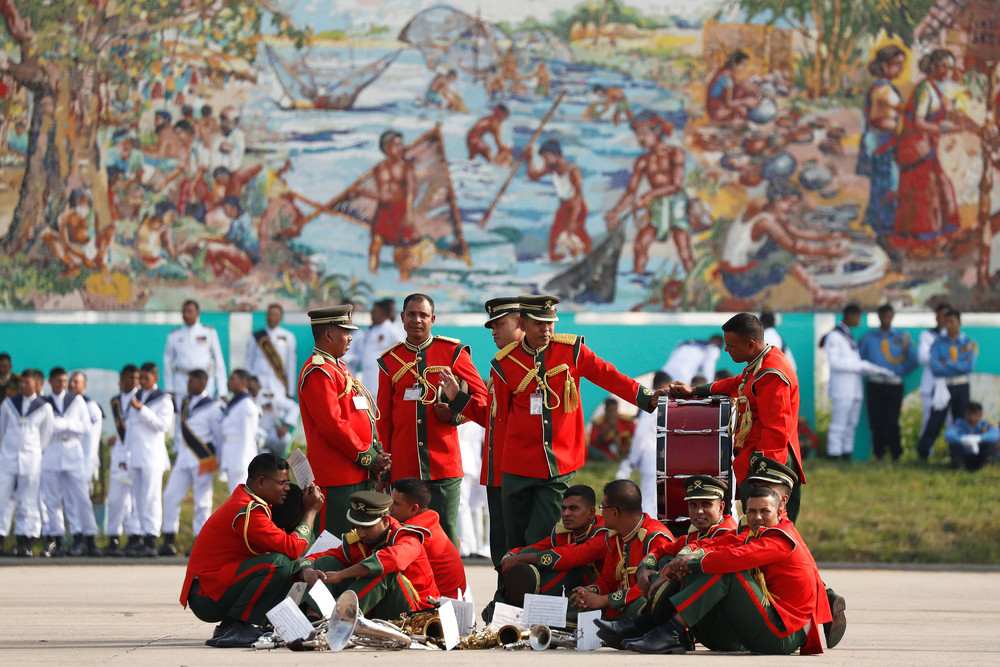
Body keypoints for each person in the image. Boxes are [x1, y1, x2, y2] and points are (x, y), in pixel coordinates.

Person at [485, 295, 666, 549]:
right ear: (522, 323)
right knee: (512, 541)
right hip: (517, 466)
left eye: (550, 323)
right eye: (539, 323)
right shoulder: (504, 364)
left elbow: (609, 376)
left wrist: (647, 397)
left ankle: (539, 588)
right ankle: (508, 590)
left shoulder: (572, 351)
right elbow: (500, 421)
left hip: (557, 463)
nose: (546, 329)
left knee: (540, 538)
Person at [605, 487, 831, 655]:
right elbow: (717, 544)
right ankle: (653, 626)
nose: (757, 517)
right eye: (751, 511)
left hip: (783, 634)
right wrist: (683, 560)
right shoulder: (756, 533)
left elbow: (736, 557)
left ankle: (668, 631)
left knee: (726, 570)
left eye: (765, 511)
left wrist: (688, 563)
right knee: (699, 562)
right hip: (759, 625)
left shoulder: (781, 539)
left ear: (780, 512)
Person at [668, 313, 806, 520]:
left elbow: (777, 430)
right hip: (757, 460)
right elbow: (736, 383)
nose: (726, 350)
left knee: (766, 532)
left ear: (750, 345)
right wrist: (695, 391)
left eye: (731, 346)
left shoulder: (771, 373)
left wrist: (765, 477)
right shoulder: (761, 362)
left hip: (769, 465)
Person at [376, 293, 487, 548]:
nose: (417, 319)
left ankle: (450, 589)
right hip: (404, 469)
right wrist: (386, 470)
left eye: (423, 315)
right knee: (405, 536)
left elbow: (481, 397)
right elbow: (384, 423)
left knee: (444, 537)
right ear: (402, 318)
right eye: (411, 314)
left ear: (433, 319)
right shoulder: (389, 361)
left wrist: (455, 415)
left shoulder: (452, 352)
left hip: (442, 465)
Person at [181, 453, 323, 648]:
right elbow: (292, 548)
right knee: (278, 564)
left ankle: (242, 623)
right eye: (282, 483)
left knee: (288, 565)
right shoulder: (249, 511)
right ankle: (237, 625)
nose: (288, 488)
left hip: (215, 587)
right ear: (262, 482)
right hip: (207, 597)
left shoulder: (252, 502)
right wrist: (311, 512)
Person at [442, 296, 523, 569]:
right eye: (492, 326)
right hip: (495, 472)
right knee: (501, 548)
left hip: (520, 473)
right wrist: (456, 398)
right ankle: (504, 601)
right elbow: (488, 417)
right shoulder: (498, 368)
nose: (494, 331)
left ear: (520, 323)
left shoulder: (534, 367)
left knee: (520, 547)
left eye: (499, 324)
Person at [298, 305, 389, 537]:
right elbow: (333, 425)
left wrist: (376, 451)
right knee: (334, 546)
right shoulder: (319, 371)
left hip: (357, 471)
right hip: (338, 476)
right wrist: (368, 457)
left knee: (357, 545)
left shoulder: (338, 368)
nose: (351, 337)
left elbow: (362, 417)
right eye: (346, 331)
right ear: (328, 334)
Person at [297, 490, 439, 620]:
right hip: (377, 608)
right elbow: (316, 557)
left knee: (384, 573)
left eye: (367, 527)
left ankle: (336, 621)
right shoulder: (360, 541)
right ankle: (313, 619)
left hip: (415, 613)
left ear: (384, 521)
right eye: (357, 526)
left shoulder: (408, 538)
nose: (361, 533)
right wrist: (307, 571)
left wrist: (342, 574)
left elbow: (390, 560)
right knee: (325, 563)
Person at [893, 49, 980, 251]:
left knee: (942, 185)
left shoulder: (935, 88)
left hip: (927, 144)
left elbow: (944, 113)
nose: (949, 71)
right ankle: (926, 238)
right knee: (926, 190)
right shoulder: (924, 89)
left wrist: (964, 122)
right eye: (944, 66)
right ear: (934, 67)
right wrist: (945, 129)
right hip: (915, 146)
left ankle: (944, 233)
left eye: (951, 67)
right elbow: (919, 122)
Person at [718, 180, 847, 307]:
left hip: (732, 274)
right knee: (783, 254)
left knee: (777, 246)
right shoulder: (765, 223)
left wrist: (825, 238)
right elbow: (794, 246)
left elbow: (794, 232)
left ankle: (805, 266)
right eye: (791, 203)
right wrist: (826, 251)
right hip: (739, 283)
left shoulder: (764, 205)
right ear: (778, 200)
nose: (795, 209)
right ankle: (818, 293)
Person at [568, 480, 674, 619]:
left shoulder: (655, 538)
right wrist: (591, 591)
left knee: (639, 606)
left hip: (646, 611)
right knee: (574, 605)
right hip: (619, 608)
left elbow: (656, 588)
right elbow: (607, 580)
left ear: (614, 512)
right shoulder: (616, 536)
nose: (601, 513)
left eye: (602, 507)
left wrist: (605, 599)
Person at [605, 110, 693, 275]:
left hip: (676, 204)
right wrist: (616, 212)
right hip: (657, 207)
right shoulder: (643, 161)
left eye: (644, 133)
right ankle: (638, 282)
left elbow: (676, 185)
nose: (640, 139)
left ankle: (696, 285)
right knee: (640, 246)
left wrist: (649, 195)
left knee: (684, 249)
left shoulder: (676, 153)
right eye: (638, 134)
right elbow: (631, 192)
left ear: (657, 131)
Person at [497, 485, 607, 616]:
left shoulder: (603, 533)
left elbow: (573, 555)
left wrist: (521, 558)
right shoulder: (563, 533)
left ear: (591, 512)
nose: (566, 514)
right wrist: (511, 557)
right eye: (563, 508)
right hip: (578, 591)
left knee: (571, 568)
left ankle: (524, 608)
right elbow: (532, 549)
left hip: (602, 594)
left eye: (573, 508)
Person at [632, 476, 737, 606]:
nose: (699, 511)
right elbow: (661, 550)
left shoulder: (730, 535)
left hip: (719, 607)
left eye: (706, 504)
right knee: (666, 559)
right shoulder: (695, 535)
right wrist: (643, 569)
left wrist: (660, 576)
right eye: (693, 505)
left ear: (721, 508)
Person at [160, 370, 224, 556]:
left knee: (202, 501)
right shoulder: (185, 403)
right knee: (170, 496)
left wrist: (218, 460)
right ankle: (169, 539)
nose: (188, 384)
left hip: (203, 459)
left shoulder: (213, 407)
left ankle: (200, 541)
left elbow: (219, 436)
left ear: (203, 384)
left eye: (192, 381)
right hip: (183, 458)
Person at [821, 304, 895, 461]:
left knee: (851, 424)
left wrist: (871, 368)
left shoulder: (848, 335)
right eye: (858, 317)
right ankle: (833, 454)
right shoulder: (835, 336)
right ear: (850, 316)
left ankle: (846, 453)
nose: (859, 320)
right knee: (839, 423)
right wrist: (860, 366)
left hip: (854, 388)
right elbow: (835, 363)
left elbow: (855, 360)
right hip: (842, 389)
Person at [38, 367, 97, 558]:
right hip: (52, 452)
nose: (63, 384)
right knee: (52, 499)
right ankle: (55, 537)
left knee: (80, 498)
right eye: (59, 381)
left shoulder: (76, 401)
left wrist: (66, 425)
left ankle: (87, 537)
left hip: (72, 451)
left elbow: (87, 426)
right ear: (51, 382)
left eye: (65, 381)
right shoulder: (43, 403)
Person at [123, 362, 175, 557]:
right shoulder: (136, 396)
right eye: (140, 378)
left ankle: (152, 537)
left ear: (155, 378)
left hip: (152, 455)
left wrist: (143, 410)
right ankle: (142, 536)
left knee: (151, 497)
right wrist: (126, 453)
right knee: (138, 498)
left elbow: (162, 426)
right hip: (136, 454)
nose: (141, 382)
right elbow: (130, 427)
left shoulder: (163, 399)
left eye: (145, 378)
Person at [0, 370, 54, 557]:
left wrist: (34, 452)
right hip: (8, 457)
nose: (22, 386)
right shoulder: (9, 403)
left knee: (28, 500)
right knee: (2, 497)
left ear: (38, 385)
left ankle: (25, 540)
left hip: (30, 459)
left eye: (27, 383)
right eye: (21, 382)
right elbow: (3, 428)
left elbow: (45, 436)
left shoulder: (44, 407)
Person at [350, 130, 417, 276]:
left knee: (402, 250)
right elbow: (383, 195)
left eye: (401, 145)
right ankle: (372, 274)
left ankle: (404, 280)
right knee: (375, 244)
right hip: (384, 210)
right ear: (386, 148)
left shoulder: (407, 168)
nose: (400, 148)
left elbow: (411, 193)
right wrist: (361, 193)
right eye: (396, 145)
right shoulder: (380, 168)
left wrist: (410, 214)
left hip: (401, 209)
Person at [389, 477, 467, 598]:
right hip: (451, 598)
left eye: (396, 504)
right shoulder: (429, 519)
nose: (390, 508)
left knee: (384, 575)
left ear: (414, 508)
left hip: (440, 604)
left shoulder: (417, 531)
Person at [858, 45, 906, 236]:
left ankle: (876, 222)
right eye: (897, 65)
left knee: (882, 184)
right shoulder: (883, 89)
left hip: (882, 141)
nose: (901, 69)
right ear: (885, 66)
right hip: (882, 142)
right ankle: (883, 227)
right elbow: (901, 111)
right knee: (887, 185)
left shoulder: (883, 86)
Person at [859, 304, 919, 460]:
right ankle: (879, 454)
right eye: (883, 315)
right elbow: (857, 358)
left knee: (892, 421)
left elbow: (913, 360)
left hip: (894, 383)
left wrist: (899, 372)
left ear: (892, 316)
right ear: (878, 316)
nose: (886, 318)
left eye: (889, 315)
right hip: (875, 383)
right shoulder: (868, 337)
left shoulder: (902, 337)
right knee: (876, 420)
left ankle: (896, 454)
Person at [919, 309, 977, 464]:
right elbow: (935, 367)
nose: (949, 326)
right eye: (946, 323)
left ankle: (957, 456)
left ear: (959, 323)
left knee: (960, 421)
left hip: (961, 385)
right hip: (942, 386)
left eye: (952, 322)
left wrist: (948, 363)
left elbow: (968, 366)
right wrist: (956, 365)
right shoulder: (938, 343)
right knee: (935, 421)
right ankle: (923, 454)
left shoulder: (968, 343)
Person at [525, 139, 592, 261]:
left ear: (555, 155)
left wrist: (573, 219)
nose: (545, 160)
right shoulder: (551, 168)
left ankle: (589, 257)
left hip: (577, 206)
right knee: (555, 236)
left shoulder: (573, 170)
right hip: (564, 206)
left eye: (547, 157)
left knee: (579, 232)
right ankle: (557, 260)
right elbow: (533, 176)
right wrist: (528, 158)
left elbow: (578, 196)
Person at [616, 371, 670, 517]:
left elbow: (641, 433)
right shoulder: (664, 401)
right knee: (657, 500)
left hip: (651, 454)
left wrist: (631, 460)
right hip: (663, 454)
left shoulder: (654, 400)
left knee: (649, 500)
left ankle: (648, 534)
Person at [104, 364, 141, 556]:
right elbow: (122, 428)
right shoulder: (116, 401)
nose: (134, 382)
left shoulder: (142, 399)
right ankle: (114, 537)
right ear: (122, 379)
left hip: (135, 456)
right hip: (120, 456)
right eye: (131, 378)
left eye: (137, 378)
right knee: (117, 498)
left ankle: (135, 536)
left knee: (134, 499)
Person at [163, 300, 227, 404]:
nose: (186, 315)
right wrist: (169, 387)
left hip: (204, 381)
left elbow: (218, 361)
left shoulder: (209, 332)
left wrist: (222, 389)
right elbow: (167, 362)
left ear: (197, 313)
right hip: (182, 381)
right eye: (184, 311)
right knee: (183, 413)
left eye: (190, 311)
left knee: (204, 411)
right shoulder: (174, 335)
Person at [40, 189, 114, 279]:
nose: (84, 204)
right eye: (81, 200)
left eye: (87, 201)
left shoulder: (93, 215)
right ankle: (72, 266)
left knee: (111, 229)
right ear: (76, 201)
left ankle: (100, 261)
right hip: (72, 251)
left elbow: (94, 237)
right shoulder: (65, 217)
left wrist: (94, 254)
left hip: (89, 249)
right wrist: (82, 257)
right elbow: (65, 242)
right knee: (46, 234)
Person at [67, 371, 103, 556]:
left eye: (76, 382)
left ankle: (90, 540)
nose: (72, 385)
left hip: (83, 464)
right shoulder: (65, 404)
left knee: (83, 502)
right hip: (68, 462)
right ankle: (78, 538)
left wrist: (88, 466)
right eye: (70, 381)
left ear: (84, 385)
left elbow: (92, 440)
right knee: (71, 502)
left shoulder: (90, 406)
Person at [216, 370, 261, 493]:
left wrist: (242, 462)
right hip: (231, 454)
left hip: (240, 458)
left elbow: (248, 436)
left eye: (232, 379)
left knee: (241, 496)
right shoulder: (236, 402)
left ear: (242, 382)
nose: (228, 382)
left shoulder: (247, 405)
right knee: (234, 495)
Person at [353, 298, 405, 398]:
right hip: (367, 374)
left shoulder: (392, 329)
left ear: (383, 313)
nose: (372, 314)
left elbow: (402, 347)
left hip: (381, 375)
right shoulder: (370, 329)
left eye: (374, 312)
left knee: (379, 404)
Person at [245, 303, 298, 399]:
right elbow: (249, 361)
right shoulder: (256, 336)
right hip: (258, 384)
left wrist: (290, 392)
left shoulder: (288, 337)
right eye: (271, 315)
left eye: (276, 315)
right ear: (266, 316)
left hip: (278, 384)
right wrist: (248, 383)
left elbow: (291, 365)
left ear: (280, 318)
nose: (273, 318)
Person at [918, 303, 951, 431]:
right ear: (936, 317)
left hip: (950, 385)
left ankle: (952, 451)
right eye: (940, 316)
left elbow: (959, 359)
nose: (943, 319)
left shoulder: (957, 337)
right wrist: (943, 359)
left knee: (951, 421)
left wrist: (937, 358)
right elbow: (923, 357)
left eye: (946, 316)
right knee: (928, 421)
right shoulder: (927, 335)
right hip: (930, 384)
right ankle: (925, 451)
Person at [248, 376, 298, 458]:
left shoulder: (269, 397)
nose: (250, 392)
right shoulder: (244, 398)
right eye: (249, 389)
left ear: (259, 387)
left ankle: (277, 456)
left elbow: (294, 408)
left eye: (253, 390)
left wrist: (285, 427)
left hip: (270, 433)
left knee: (285, 438)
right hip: (254, 434)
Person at [705, 50, 759, 125]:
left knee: (743, 89)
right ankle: (733, 122)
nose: (744, 67)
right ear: (734, 64)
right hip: (717, 112)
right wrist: (745, 101)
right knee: (743, 110)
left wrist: (746, 85)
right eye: (743, 65)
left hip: (715, 108)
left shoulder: (723, 72)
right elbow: (728, 103)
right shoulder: (727, 78)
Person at [944, 402, 999, 471]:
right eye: (970, 414)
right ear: (966, 413)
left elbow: (995, 435)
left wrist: (979, 438)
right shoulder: (959, 423)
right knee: (954, 445)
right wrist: (963, 439)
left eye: (975, 414)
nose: (972, 417)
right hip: (964, 456)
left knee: (989, 444)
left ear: (980, 415)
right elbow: (948, 435)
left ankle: (986, 467)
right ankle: (958, 467)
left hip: (980, 456)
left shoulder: (985, 425)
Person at [588, 398, 634, 462]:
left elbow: (635, 436)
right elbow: (594, 443)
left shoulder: (625, 421)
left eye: (614, 410)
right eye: (610, 411)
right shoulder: (598, 423)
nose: (613, 414)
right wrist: (607, 428)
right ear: (606, 411)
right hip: (606, 455)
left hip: (626, 454)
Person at [210, 106, 246, 171]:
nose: (226, 124)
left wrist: (232, 151)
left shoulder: (239, 136)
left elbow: (237, 163)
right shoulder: (215, 134)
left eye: (230, 121)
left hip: (231, 172)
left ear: (235, 121)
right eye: (224, 120)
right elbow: (212, 160)